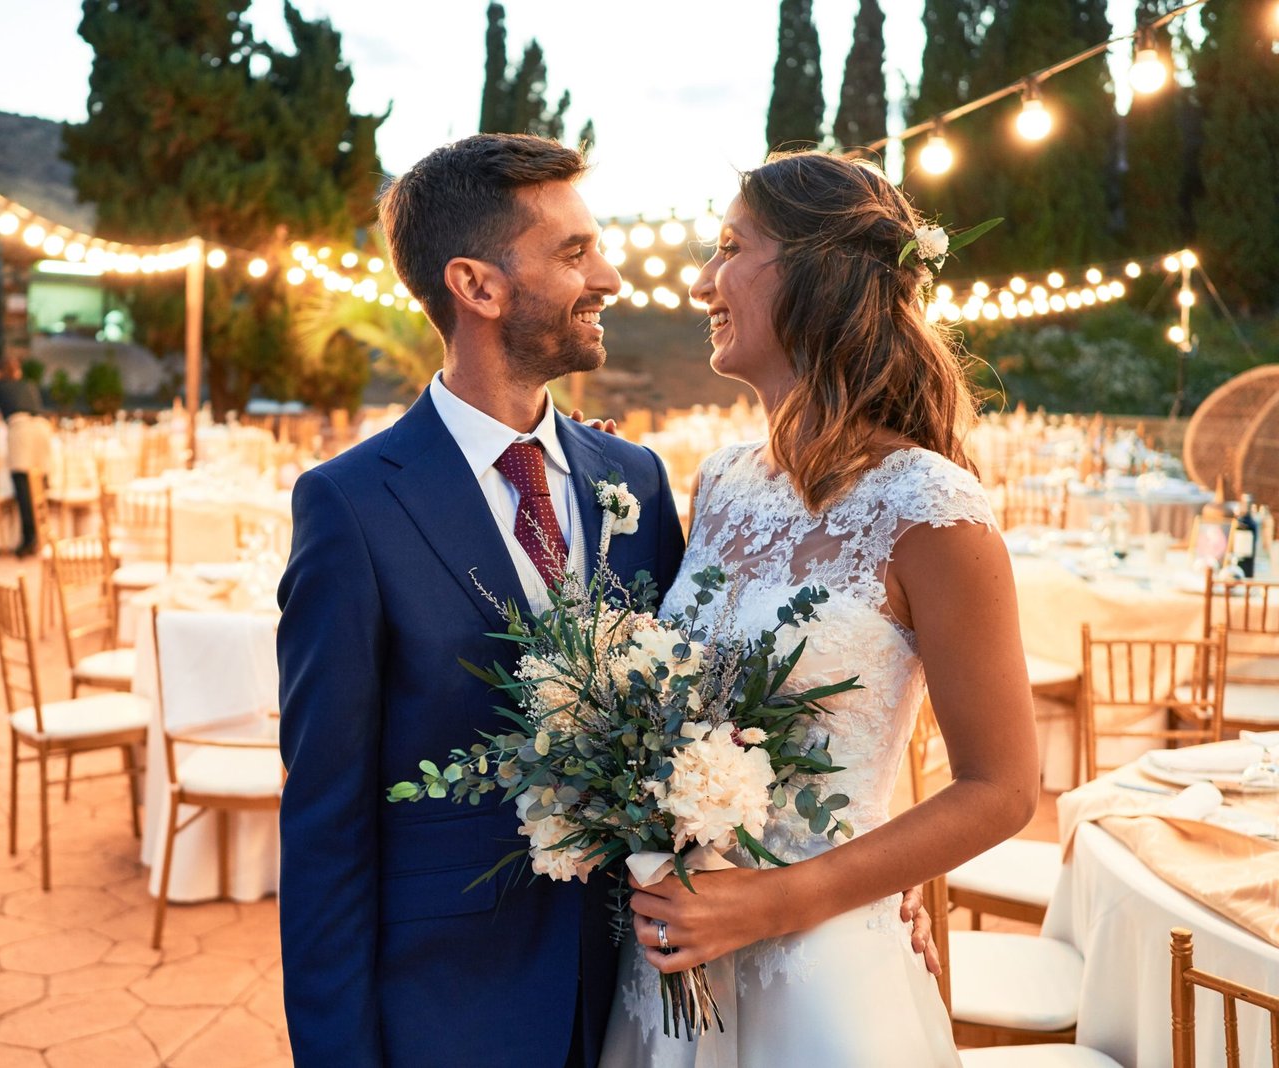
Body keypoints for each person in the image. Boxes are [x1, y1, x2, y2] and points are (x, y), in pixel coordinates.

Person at [602, 151, 1039, 1066]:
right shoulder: (719, 482)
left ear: (816, 274)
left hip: (823, 976)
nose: (702, 282)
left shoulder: (931, 506)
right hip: (674, 964)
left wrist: (780, 899)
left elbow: (1002, 788)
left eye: (729, 248)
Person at [275, 133, 687, 1068]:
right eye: (575, 253)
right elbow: (327, 826)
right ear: (478, 286)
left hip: (644, 999)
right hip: (456, 1009)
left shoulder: (637, 481)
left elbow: (704, 720)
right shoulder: (349, 506)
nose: (610, 276)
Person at [0, 360, 49, 557]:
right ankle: (45, 536)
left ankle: (28, 539)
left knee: (22, 484)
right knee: (39, 483)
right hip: (43, 428)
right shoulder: (29, 385)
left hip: (21, 429)